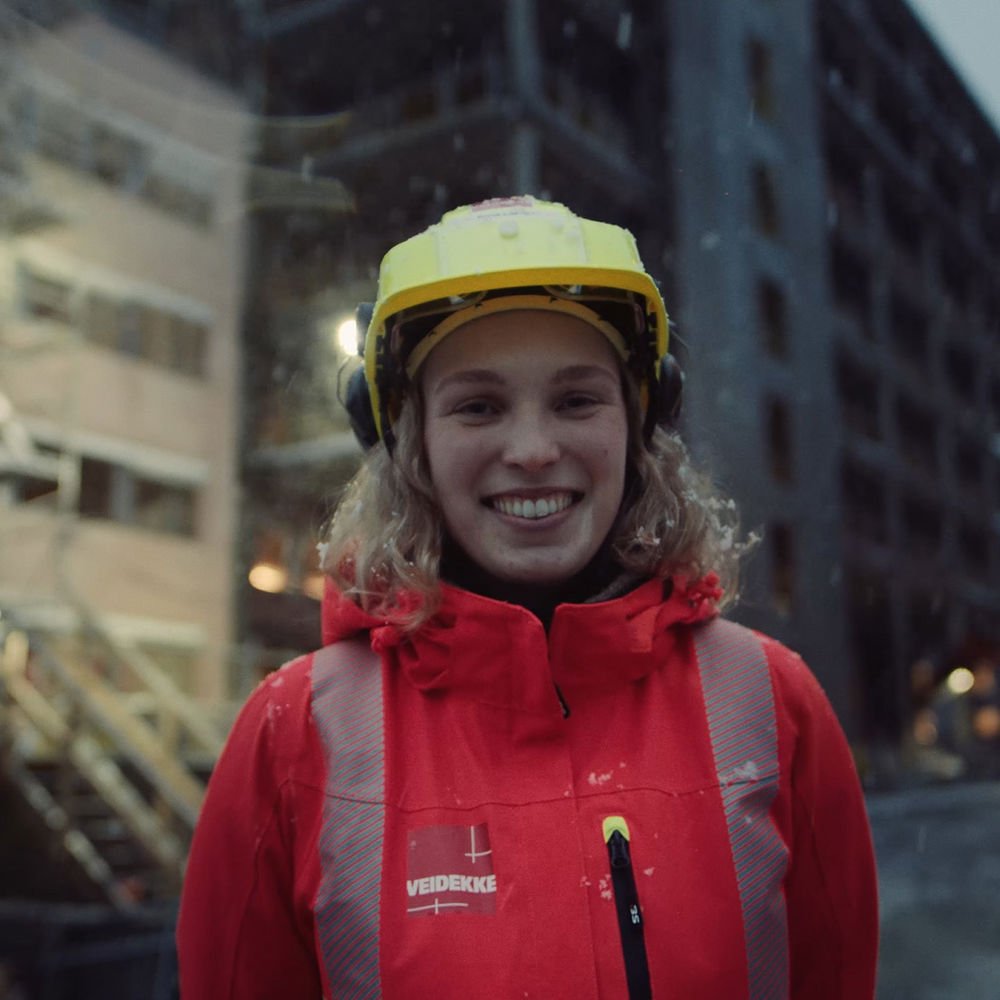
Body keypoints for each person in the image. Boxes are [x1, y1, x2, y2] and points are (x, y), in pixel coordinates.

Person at [177, 196, 878, 999]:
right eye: (478, 406)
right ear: (412, 444)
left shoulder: (772, 704)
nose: (535, 450)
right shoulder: (293, 736)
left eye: (578, 400)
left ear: (638, 422)